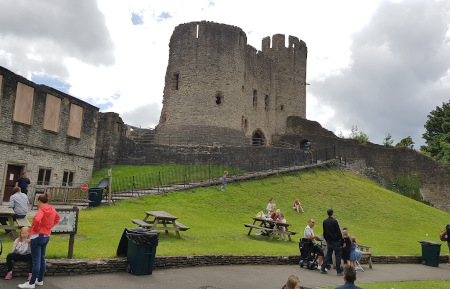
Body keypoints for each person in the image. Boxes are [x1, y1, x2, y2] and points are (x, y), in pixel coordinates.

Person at [18, 192, 60, 289]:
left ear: (39, 201)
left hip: (37, 236)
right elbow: (57, 218)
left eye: (38, 202)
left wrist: (36, 228)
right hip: (46, 236)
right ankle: (39, 280)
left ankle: (31, 283)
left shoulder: (42, 209)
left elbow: (37, 219)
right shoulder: (52, 209)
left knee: (36, 260)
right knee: (42, 259)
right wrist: (49, 227)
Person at [321, 208, 343, 275]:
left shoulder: (325, 222)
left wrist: (327, 240)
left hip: (329, 241)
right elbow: (338, 232)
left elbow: (324, 233)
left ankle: (323, 268)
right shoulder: (335, 221)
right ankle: (338, 271)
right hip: (336, 241)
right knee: (338, 256)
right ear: (332, 213)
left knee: (328, 255)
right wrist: (341, 240)